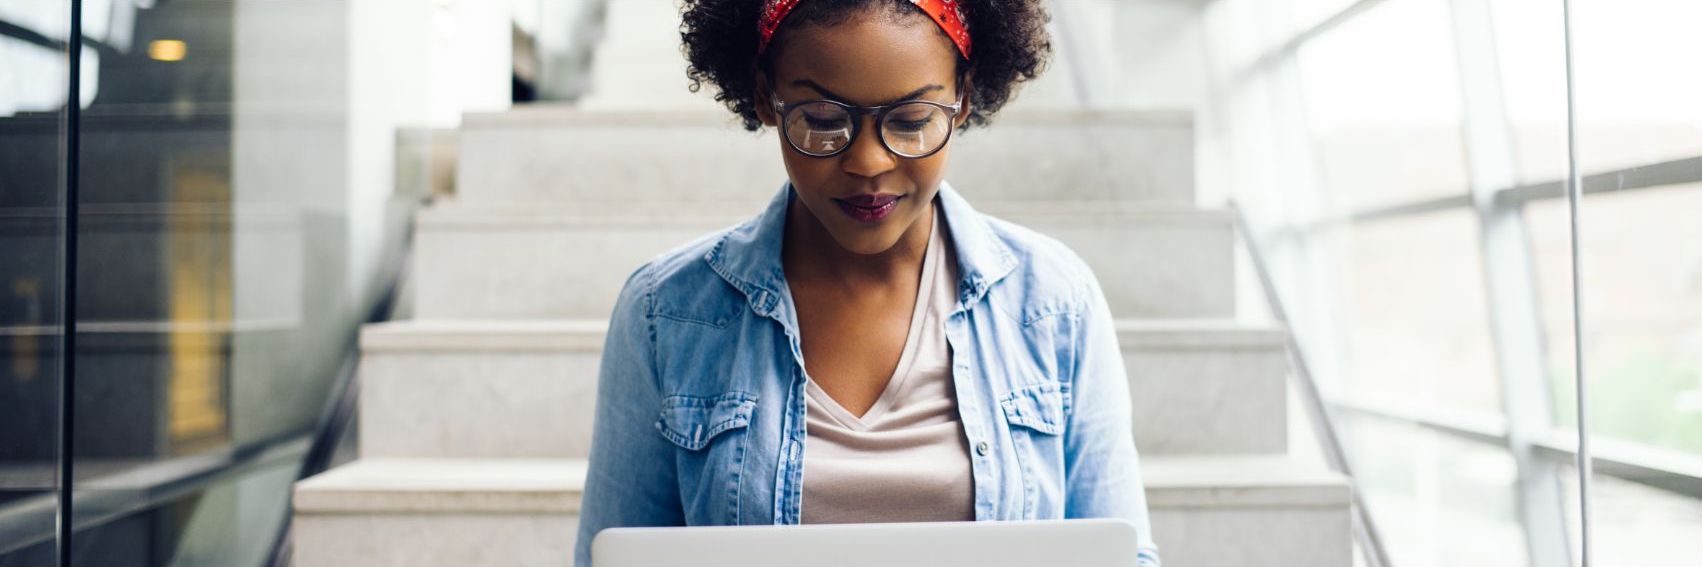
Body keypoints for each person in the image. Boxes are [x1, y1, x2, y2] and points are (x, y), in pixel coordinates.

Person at [574, 1, 1159, 565]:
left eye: (910, 121)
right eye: (824, 123)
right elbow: (616, 555)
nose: (869, 163)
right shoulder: (665, 313)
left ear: (964, 98)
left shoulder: (1054, 302)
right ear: (764, 99)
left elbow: (1123, 554)